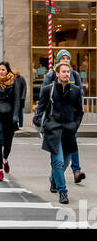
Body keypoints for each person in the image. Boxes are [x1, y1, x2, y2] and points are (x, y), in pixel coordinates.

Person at [34, 57, 84, 206]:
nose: (66, 74)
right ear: (57, 73)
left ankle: (54, 179)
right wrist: (43, 123)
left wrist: (75, 125)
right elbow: (41, 108)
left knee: (66, 162)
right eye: (63, 72)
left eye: (68, 72)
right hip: (53, 130)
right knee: (58, 161)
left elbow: (79, 112)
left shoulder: (75, 91)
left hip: (69, 131)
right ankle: (63, 191)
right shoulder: (48, 89)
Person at [41, 50, 86, 183]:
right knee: (57, 155)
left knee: (72, 147)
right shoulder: (51, 75)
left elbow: (80, 90)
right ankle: (56, 175)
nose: (65, 60)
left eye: (67, 58)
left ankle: (76, 171)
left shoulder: (75, 74)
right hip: (55, 121)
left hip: (69, 120)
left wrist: (75, 122)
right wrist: (43, 123)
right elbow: (45, 93)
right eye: (63, 58)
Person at [0, 60, 25, 182]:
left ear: (7, 70)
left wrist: (16, 116)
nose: (1, 72)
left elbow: (17, 100)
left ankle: (5, 159)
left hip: (9, 116)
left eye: (3, 70)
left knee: (7, 143)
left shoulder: (14, 82)